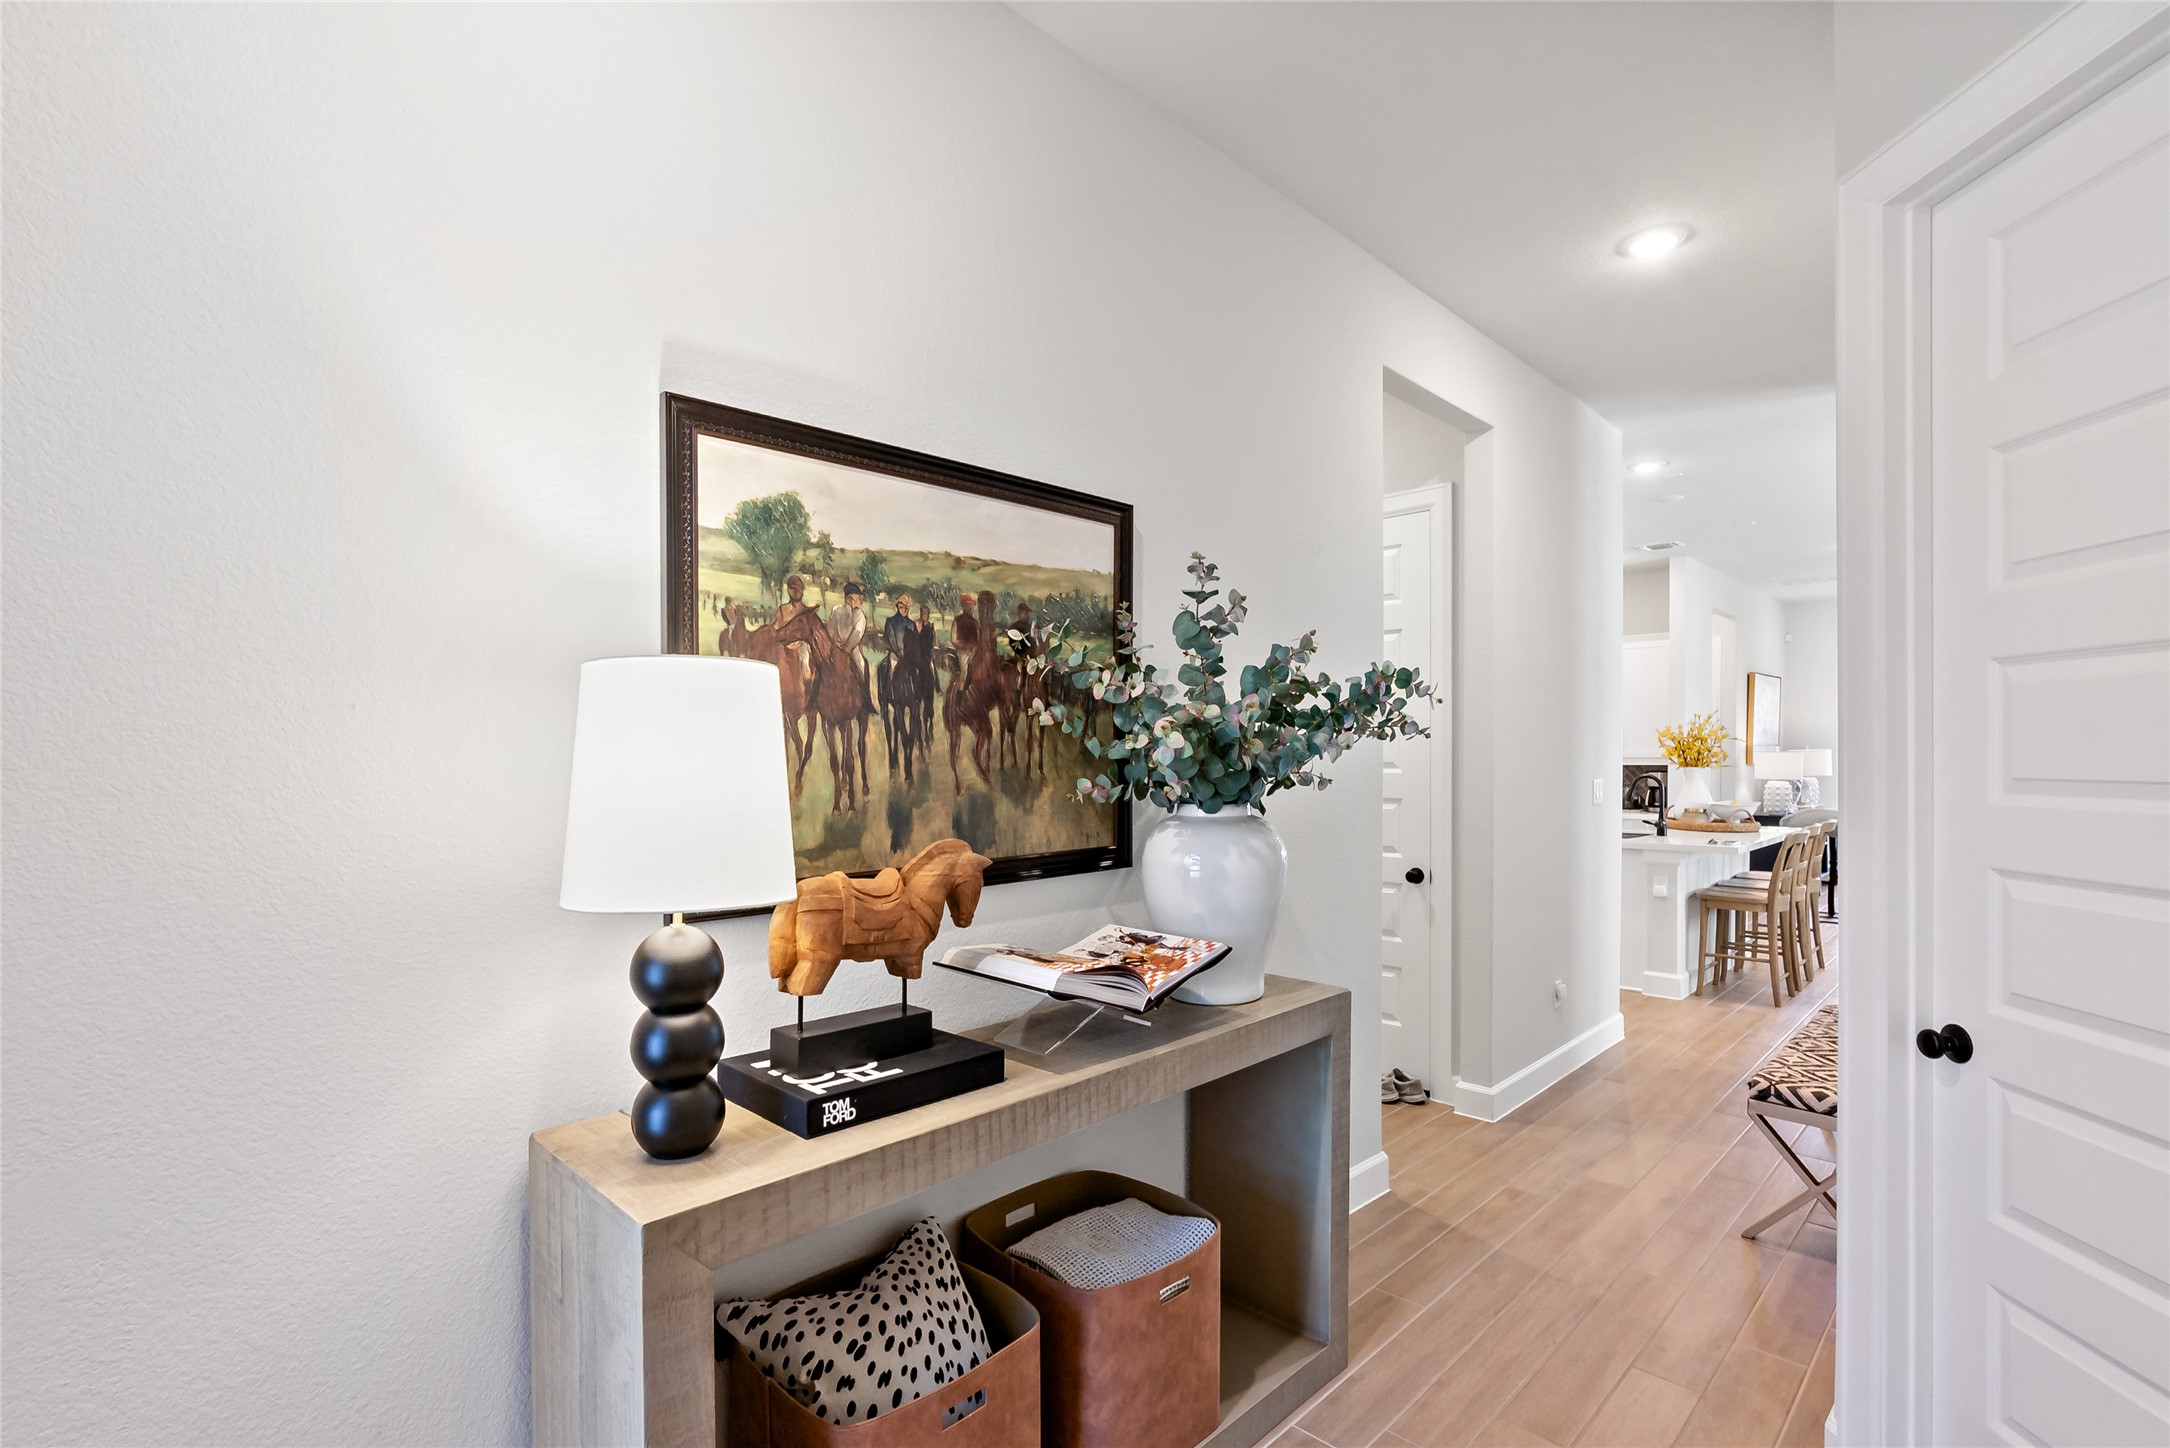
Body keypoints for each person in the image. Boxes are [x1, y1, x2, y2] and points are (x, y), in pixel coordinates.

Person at [828, 580, 870, 695]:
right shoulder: (836, 611)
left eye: (856, 600)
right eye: (851, 599)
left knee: (861, 665)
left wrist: (847, 648)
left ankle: (864, 698)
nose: (853, 602)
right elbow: (830, 630)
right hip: (835, 647)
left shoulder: (860, 615)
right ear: (846, 598)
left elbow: (858, 632)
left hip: (852, 649)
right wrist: (834, 646)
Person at [774, 575, 814, 682]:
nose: (797, 592)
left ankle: (807, 686)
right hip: (784, 644)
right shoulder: (783, 609)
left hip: (801, 645)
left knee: (805, 663)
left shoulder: (805, 611)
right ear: (788, 590)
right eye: (794, 589)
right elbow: (777, 627)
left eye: (800, 589)